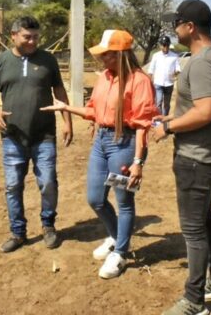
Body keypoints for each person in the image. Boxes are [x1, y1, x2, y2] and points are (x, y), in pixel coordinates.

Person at [41, 29, 157, 279]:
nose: (102, 59)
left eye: (107, 54)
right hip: (102, 142)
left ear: (121, 54)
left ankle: (121, 253)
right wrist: (66, 108)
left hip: (124, 144)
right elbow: (93, 111)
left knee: (124, 201)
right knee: (95, 198)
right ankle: (116, 237)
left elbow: (142, 124)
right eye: (102, 54)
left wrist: (138, 161)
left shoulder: (139, 81)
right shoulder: (105, 77)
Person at [154, 0, 211, 315]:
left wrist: (169, 127)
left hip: (196, 158)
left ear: (190, 27)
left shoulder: (201, 62)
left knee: (193, 230)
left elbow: (205, 111)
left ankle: (193, 301)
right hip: (205, 155)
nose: (173, 30)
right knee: (206, 218)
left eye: (177, 24)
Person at [0, 16, 73, 253]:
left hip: (44, 135)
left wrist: (67, 122)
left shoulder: (48, 60)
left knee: (47, 183)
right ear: (13, 36)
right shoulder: (1, 61)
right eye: (27, 37)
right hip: (12, 136)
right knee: (13, 186)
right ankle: (18, 232)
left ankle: (48, 225)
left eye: (36, 37)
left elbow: (60, 91)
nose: (33, 41)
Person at [148, 36, 181, 116]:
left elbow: (178, 68)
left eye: (167, 45)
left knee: (166, 104)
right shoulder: (156, 56)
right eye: (163, 45)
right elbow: (151, 69)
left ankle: (165, 119)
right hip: (158, 83)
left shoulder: (174, 56)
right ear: (160, 45)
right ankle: (159, 119)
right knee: (158, 102)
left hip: (169, 84)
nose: (165, 47)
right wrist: (149, 80)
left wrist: (175, 73)